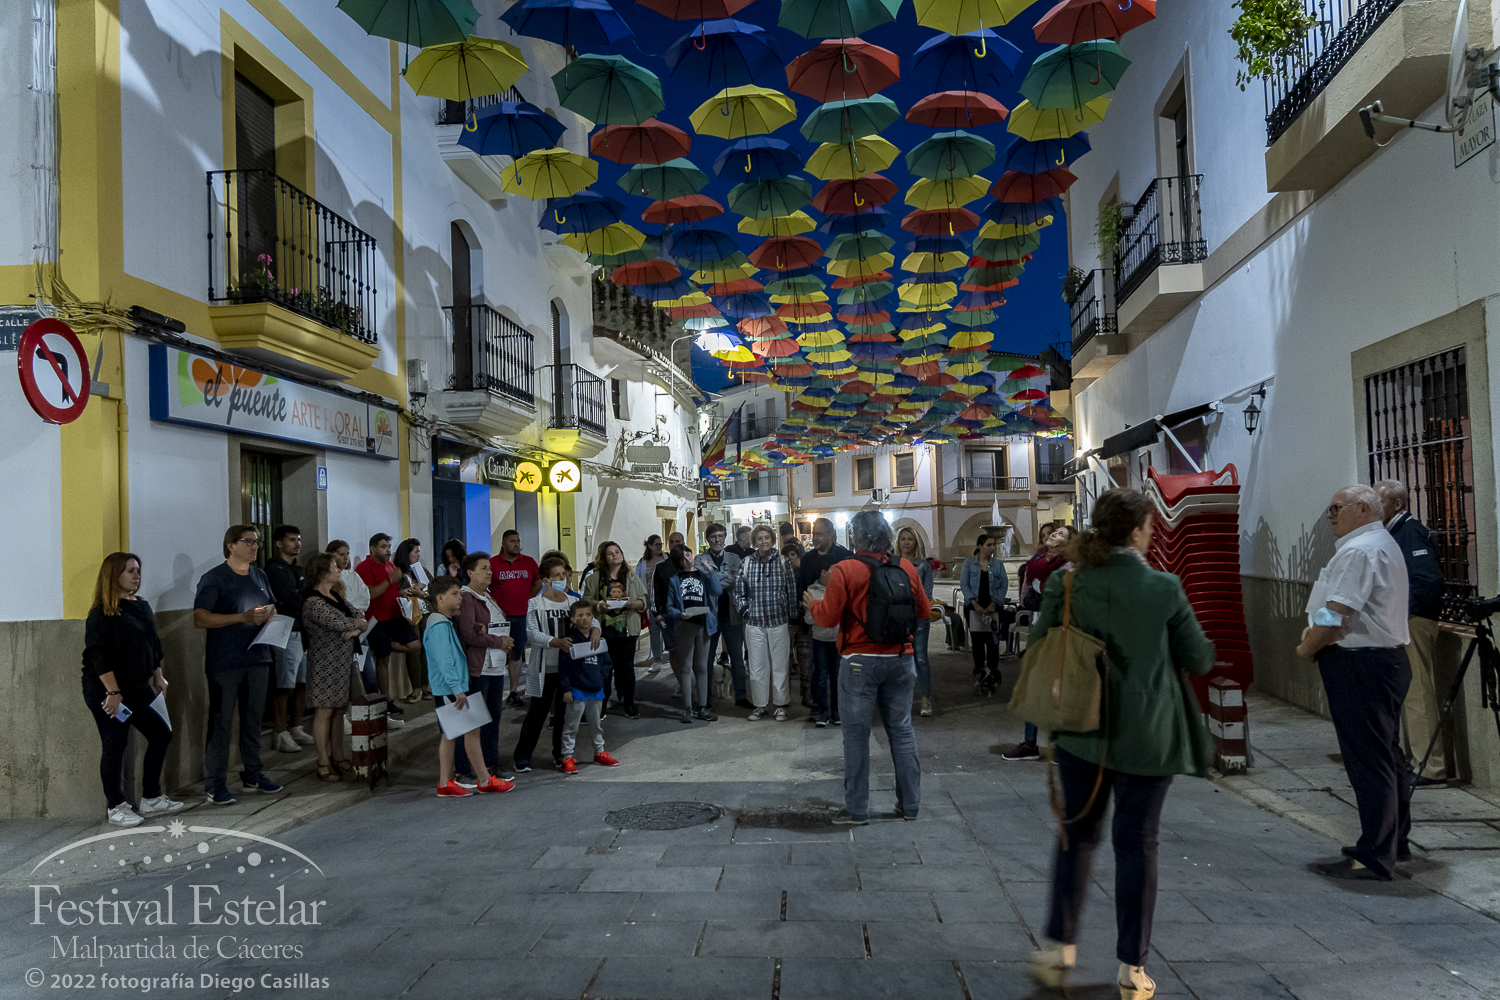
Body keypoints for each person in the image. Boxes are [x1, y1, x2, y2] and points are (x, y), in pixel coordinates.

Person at [1025, 489, 1214, 999]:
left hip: (1082, 734)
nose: (1152, 534)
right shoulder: (1164, 587)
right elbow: (1198, 657)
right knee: (1137, 846)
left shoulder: (1067, 582)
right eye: (1150, 527)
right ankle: (1132, 968)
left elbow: (1037, 645)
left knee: (1076, 835)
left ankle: (1057, 948)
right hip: (1148, 737)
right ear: (1135, 531)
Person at [1296, 484, 1413, 881]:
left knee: (1369, 760)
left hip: (1360, 663)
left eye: (1335, 508)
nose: (1329, 515)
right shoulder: (1379, 542)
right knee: (1386, 754)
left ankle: (1375, 853)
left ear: (1363, 509)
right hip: (1383, 661)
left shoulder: (1360, 550)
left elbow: (1338, 611)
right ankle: (1395, 842)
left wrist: (1308, 645)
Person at [805, 510, 932, 825]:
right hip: (901, 660)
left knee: (857, 735)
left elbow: (827, 619)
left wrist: (812, 604)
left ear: (856, 538)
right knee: (902, 731)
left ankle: (857, 809)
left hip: (859, 661)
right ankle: (910, 804)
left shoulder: (845, 569)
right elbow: (925, 611)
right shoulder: (905, 567)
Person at [83, 552, 180, 826]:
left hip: (138, 687)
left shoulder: (141, 604)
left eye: (138, 570)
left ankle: (151, 798)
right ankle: (115, 805)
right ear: (113, 575)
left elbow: (152, 643)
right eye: (130, 571)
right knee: (115, 743)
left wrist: (158, 675)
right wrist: (113, 694)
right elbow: (98, 657)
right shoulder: (101, 613)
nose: (136, 575)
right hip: (108, 691)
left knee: (161, 733)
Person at [193, 524, 282, 804]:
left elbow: (271, 604)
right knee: (222, 722)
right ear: (230, 545)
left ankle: (253, 772)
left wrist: (270, 615)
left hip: (258, 656)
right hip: (227, 661)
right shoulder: (215, 578)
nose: (254, 546)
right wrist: (240, 618)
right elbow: (200, 618)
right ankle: (215, 782)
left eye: (256, 542)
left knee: (253, 718)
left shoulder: (259, 575)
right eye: (248, 541)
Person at [1375, 480, 1450, 786]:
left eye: (1379, 502)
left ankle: (1431, 767)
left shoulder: (1410, 532)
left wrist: (1402, 613)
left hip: (1414, 621)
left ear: (1397, 504)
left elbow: (1426, 581)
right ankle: (1417, 760)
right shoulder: (1394, 533)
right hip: (1404, 621)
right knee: (1409, 695)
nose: (1374, 508)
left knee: (1419, 694)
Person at [426, 576, 514, 798]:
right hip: (450, 688)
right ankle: (484, 780)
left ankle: (446, 782)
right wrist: (457, 689)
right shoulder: (438, 626)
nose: (460, 599)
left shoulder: (443, 623)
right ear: (440, 597)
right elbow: (444, 660)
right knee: (471, 731)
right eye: (455, 594)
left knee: (451, 734)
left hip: (450, 687)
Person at [1003, 524, 1076, 760]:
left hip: (1060, 633)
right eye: (1051, 534)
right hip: (1039, 628)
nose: (1053, 536)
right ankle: (1030, 743)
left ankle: (1063, 747)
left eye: (1059, 534)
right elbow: (1027, 598)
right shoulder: (1037, 562)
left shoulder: (1069, 566)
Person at [300, 551, 365, 782]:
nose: (339, 570)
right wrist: (356, 624)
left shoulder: (338, 597)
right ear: (321, 573)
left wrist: (357, 629)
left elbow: (361, 617)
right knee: (324, 710)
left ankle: (338, 755)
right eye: (334, 567)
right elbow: (340, 622)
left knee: (339, 710)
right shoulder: (313, 601)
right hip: (324, 664)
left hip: (342, 663)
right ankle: (323, 760)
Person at [454, 552, 515, 783]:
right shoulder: (468, 597)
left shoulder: (487, 596)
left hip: (496, 665)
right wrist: (497, 641)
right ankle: (464, 769)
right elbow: (469, 635)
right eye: (483, 568)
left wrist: (504, 642)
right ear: (469, 573)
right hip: (479, 668)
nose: (489, 572)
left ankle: (490, 763)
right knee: (473, 720)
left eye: (490, 568)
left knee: (493, 717)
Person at [514, 557, 576, 772]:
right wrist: (554, 642)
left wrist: (594, 628)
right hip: (545, 667)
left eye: (564, 574)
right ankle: (522, 756)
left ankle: (560, 754)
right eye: (558, 575)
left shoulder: (570, 602)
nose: (563, 578)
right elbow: (531, 633)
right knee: (537, 714)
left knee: (563, 715)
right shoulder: (536, 603)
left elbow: (588, 620)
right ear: (547, 580)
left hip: (565, 669)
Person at [734, 524, 798, 721]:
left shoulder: (783, 562)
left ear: (773, 540)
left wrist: (793, 617)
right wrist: (746, 610)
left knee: (780, 666)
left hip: (779, 621)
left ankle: (780, 705)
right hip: (755, 623)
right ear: (755, 542)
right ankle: (760, 705)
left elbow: (792, 590)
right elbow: (738, 592)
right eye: (760, 538)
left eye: (767, 538)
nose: (764, 542)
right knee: (757, 666)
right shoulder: (746, 563)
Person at [355, 534, 422, 721]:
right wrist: (389, 581)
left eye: (389, 546)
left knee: (415, 645)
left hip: (395, 615)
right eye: (383, 546)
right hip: (378, 619)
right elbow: (368, 593)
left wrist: (404, 592)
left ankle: (386, 644)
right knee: (383, 660)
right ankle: (386, 699)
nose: (388, 550)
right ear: (372, 548)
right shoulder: (363, 568)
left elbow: (392, 591)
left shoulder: (390, 565)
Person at [580, 541, 648, 719]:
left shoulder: (631, 577)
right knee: (604, 670)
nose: (614, 555)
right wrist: (599, 604)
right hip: (603, 630)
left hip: (627, 630)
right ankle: (602, 704)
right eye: (610, 553)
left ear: (622, 555)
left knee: (626, 668)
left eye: (617, 552)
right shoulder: (595, 578)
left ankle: (629, 704)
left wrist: (634, 604)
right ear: (604, 558)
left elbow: (644, 599)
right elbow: (586, 599)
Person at [556, 600, 623, 774]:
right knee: (571, 726)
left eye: (588, 615)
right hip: (577, 692)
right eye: (580, 616)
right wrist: (566, 689)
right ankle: (567, 757)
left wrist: (600, 680)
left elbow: (606, 663)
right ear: (572, 619)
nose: (585, 619)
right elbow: (563, 667)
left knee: (596, 725)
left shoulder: (598, 639)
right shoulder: (569, 641)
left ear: (593, 617)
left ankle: (599, 753)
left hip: (596, 691)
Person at [265, 525, 312, 754]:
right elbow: (288, 597)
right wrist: (303, 599)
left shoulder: (299, 569)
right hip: (287, 629)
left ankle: (296, 726)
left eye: (298, 539)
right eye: (292, 539)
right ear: (279, 543)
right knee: (284, 683)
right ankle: (280, 731)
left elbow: (306, 594)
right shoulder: (274, 569)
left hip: (303, 630)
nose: (297, 543)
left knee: (302, 682)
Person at [668, 544, 723, 723]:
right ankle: (687, 708)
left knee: (701, 667)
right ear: (679, 561)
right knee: (685, 668)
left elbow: (717, 590)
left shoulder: (702, 575)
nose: (687, 557)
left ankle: (703, 707)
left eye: (688, 553)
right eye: (683, 556)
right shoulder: (675, 579)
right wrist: (679, 614)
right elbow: (669, 606)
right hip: (685, 625)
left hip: (704, 624)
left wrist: (709, 570)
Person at [489, 530, 542, 708]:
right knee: (496, 653)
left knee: (516, 652)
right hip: (499, 617)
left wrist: (527, 598)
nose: (517, 544)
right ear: (503, 543)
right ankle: (492, 692)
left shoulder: (528, 562)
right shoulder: (493, 564)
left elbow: (537, 583)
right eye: (512, 541)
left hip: (520, 614)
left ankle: (513, 691)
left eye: (518, 541)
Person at [697, 523, 747, 708]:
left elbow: (738, 582)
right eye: (713, 536)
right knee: (706, 660)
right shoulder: (699, 559)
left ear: (725, 536)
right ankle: (706, 700)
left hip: (732, 616)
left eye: (720, 536)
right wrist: (725, 579)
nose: (717, 539)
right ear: (707, 539)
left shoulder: (735, 558)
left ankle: (741, 697)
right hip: (710, 617)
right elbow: (704, 583)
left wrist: (713, 577)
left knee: (737, 659)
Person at [960, 533, 1009, 695]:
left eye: (994, 545)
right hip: (974, 608)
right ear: (980, 546)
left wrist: (994, 604)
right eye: (989, 545)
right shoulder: (968, 564)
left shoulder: (998, 565)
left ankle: (992, 675)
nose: (993, 548)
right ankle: (980, 675)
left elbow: (1003, 585)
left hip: (992, 608)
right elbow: (964, 585)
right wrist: (973, 603)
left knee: (993, 643)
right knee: (978, 643)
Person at [897, 527, 935, 718]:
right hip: (899, 618)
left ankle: (926, 698)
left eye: (910, 539)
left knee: (920, 658)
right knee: (902, 660)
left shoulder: (924, 566)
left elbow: (927, 594)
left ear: (916, 542)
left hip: (919, 617)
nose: (906, 542)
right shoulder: (894, 563)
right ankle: (903, 700)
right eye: (903, 539)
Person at [394, 538, 432, 703]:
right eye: (415, 552)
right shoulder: (397, 571)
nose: (418, 555)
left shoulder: (421, 570)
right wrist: (410, 591)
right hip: (408, 613)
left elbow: (434, 589)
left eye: (419, 552)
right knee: (414, 650)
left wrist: (423, 593)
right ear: (406, 553)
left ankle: (426, 686)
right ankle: (415, 688)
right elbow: (394, 592)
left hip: (426, 611)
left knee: (426, 649)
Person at [803, 567, 842, 728]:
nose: (836, 574)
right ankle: (822, 712)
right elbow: (808, 618)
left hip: (837, 640)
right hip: (820, 640)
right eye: (833, 571)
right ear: (823, 572)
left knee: (836, 677)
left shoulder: (840, 589)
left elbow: (840, 614)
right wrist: (826, 614)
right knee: (820, 677)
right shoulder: (812, 592)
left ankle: (836, 712)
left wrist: (823, 612)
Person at [783, 541, 814, 710]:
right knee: (786, 660)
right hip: (785, 620)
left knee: (805, 659)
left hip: (802, 620)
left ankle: (806, 693)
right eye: (786, 556)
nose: (789, 559)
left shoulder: (804, 573)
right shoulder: (781, 574)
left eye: (793, 555)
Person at [796, 517, 853, 598]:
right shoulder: (806, 559)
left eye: (819, 534)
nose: (815, 538)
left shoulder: (845, 556)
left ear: (830, 535)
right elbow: (801, 585)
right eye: (814, 534)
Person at [636, 535, 668, 667]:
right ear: (649, 546)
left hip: (665, 601)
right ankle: (657, 659)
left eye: (661, 544)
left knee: (668, 629)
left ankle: (672, 656)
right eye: (657, 544)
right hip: (650, 601)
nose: (660, 547)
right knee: (654, 631)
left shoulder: (667, 559)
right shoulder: (643, 562)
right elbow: (638, 580)